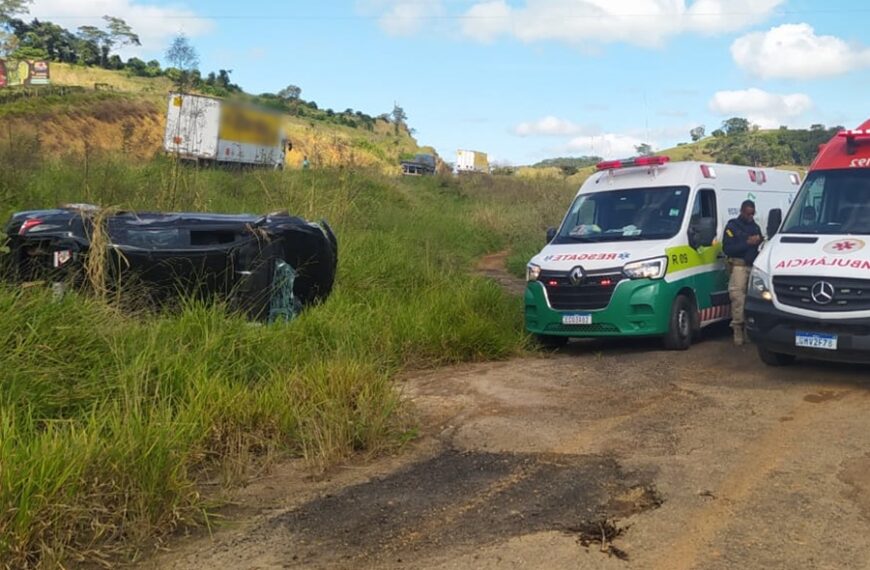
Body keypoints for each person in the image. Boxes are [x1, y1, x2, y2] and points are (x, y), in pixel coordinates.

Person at [723, 200, 763, 346]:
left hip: (753, 267)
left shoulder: (756, 227)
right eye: (748, 214)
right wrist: (747, 243)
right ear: (741, 211)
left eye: (752, 214)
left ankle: (749, 330)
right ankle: (738, 330)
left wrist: (758, 241)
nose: (750, 216)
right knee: (738, 298)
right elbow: (728, 249)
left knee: (752, 300)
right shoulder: (732, 227)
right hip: (739, 266)